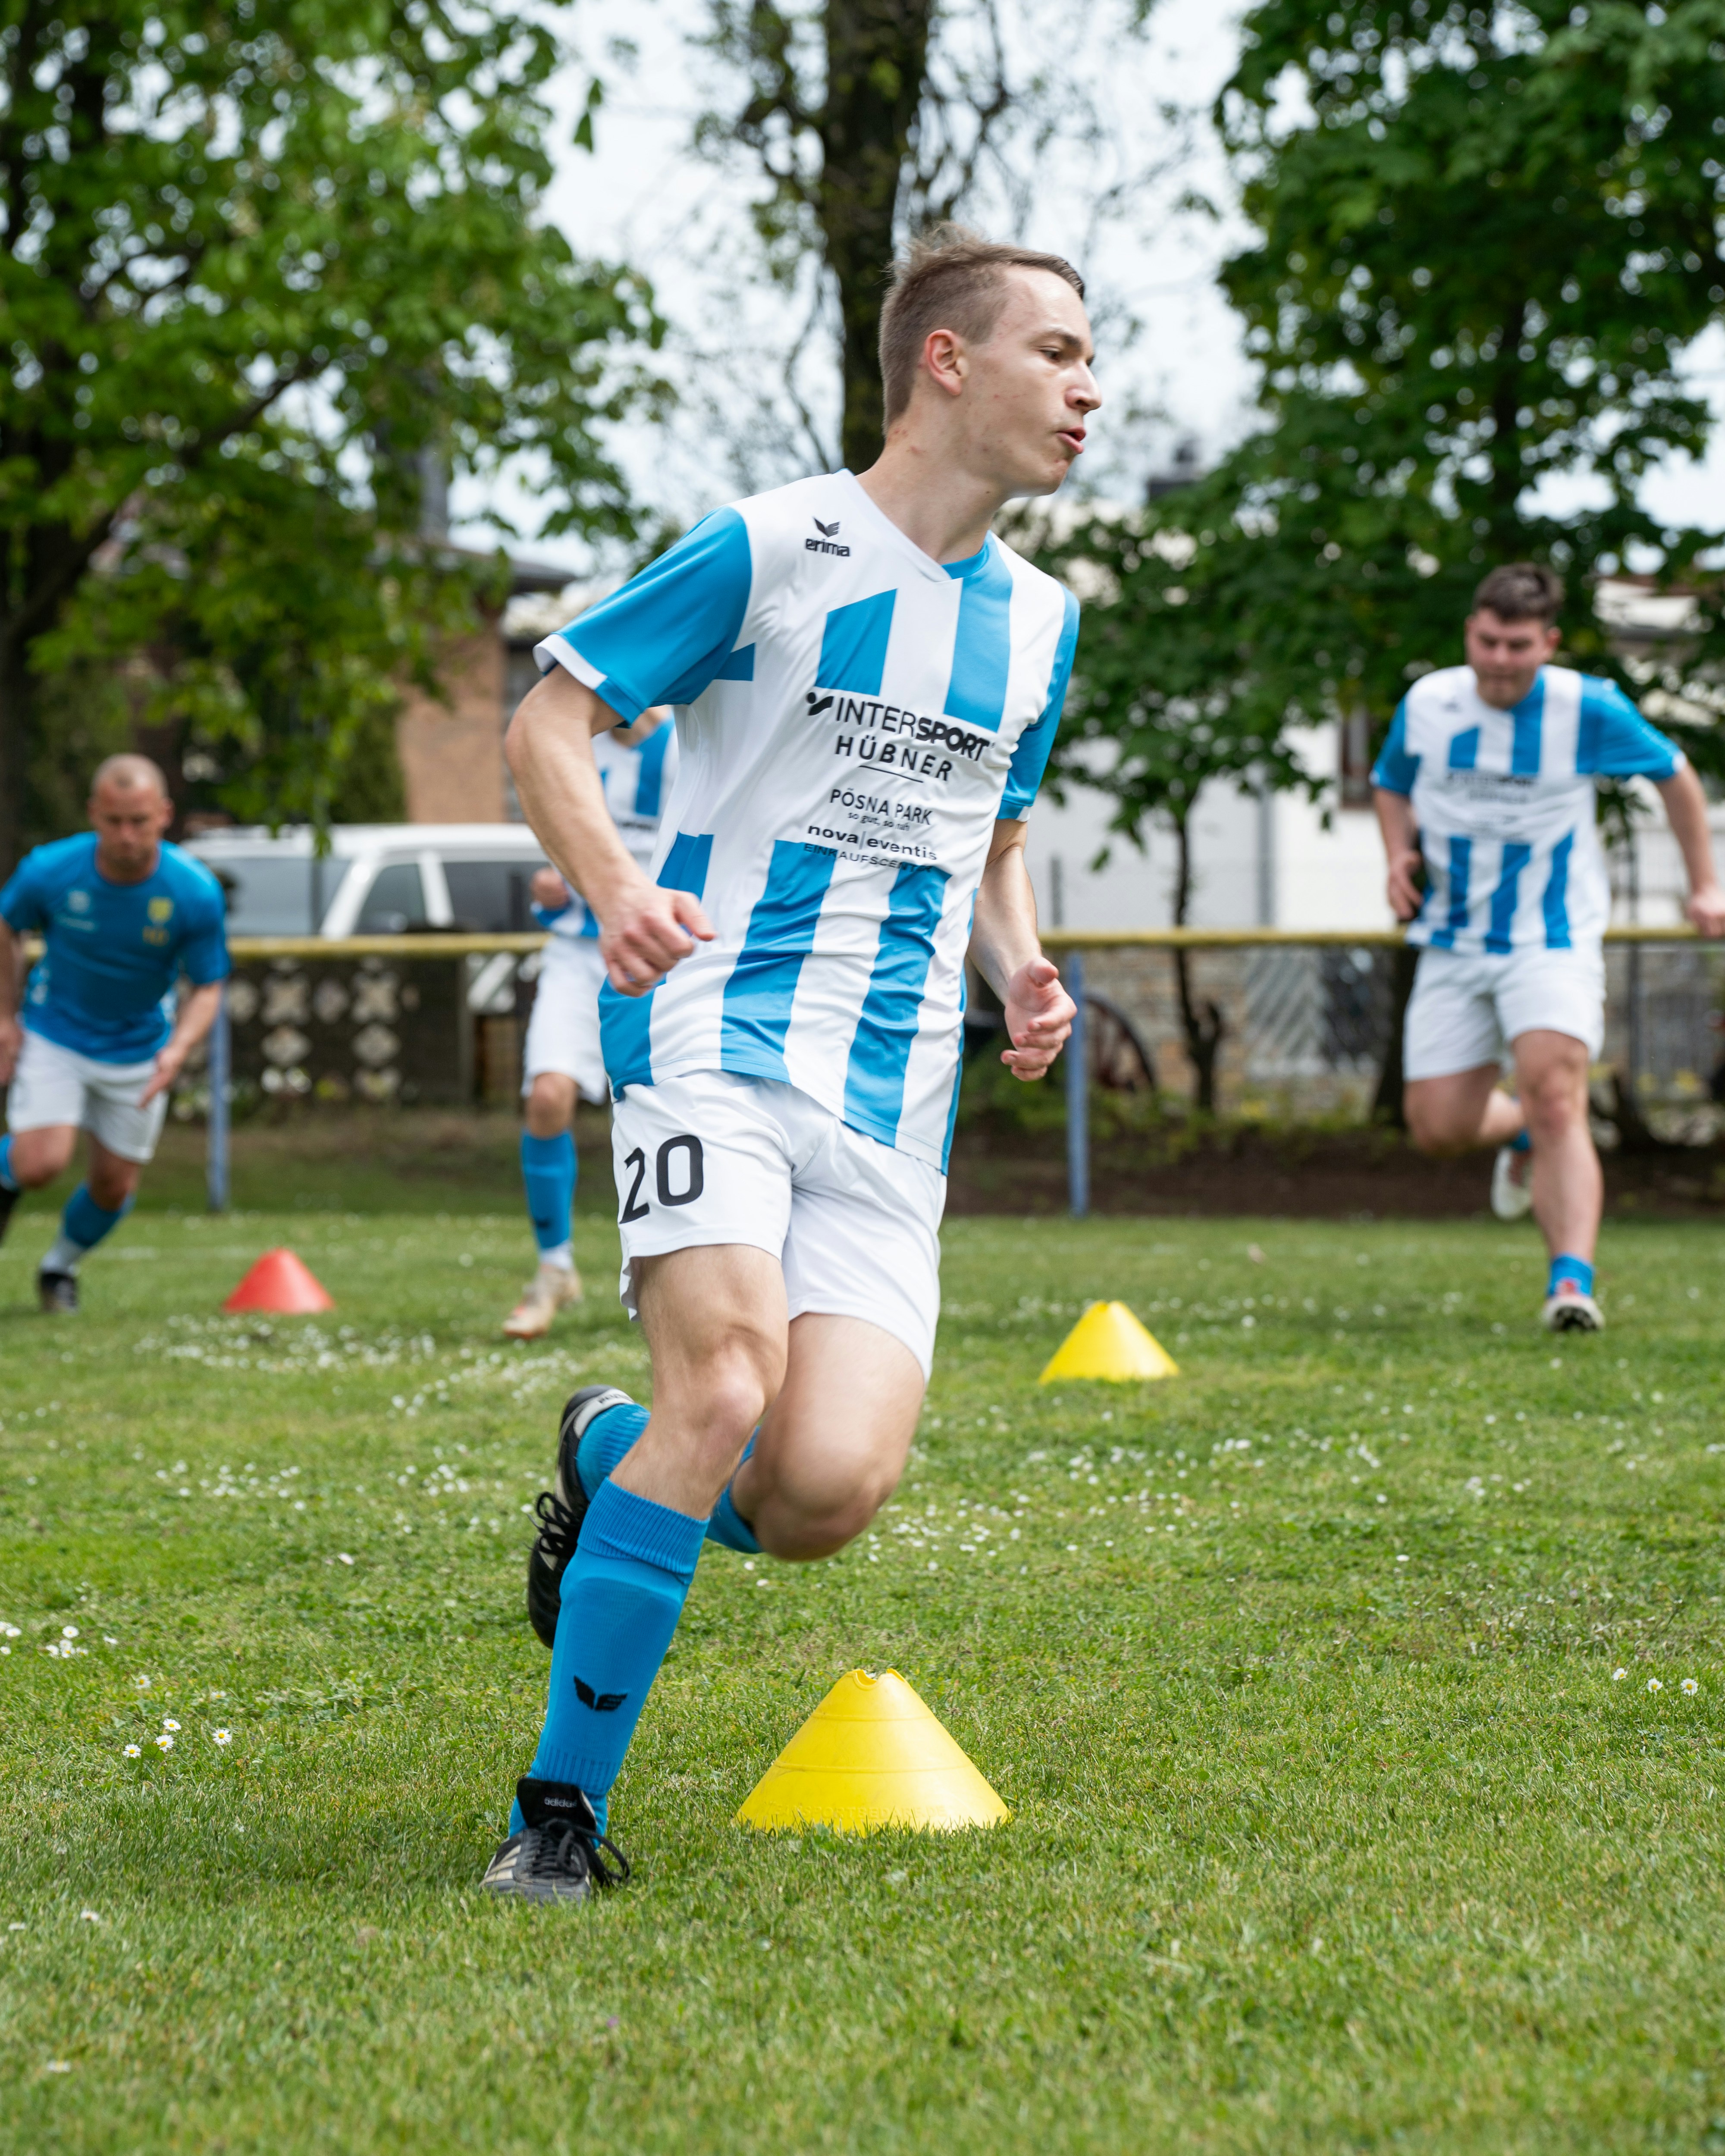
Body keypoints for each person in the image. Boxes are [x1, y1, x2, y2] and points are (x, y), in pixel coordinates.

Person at [480, 226, 1094, 1902]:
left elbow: (995, 835)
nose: (1087, 385)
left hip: (893, 1095)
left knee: (821, 1487)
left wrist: (1022, 967)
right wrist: (615, 890)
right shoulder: (777, 545)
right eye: (1054, 349)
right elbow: (551, 717)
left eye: (1091, 356)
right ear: (945, 365)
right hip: (709, 1026)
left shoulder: (1041, 621)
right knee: (729, 1387)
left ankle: (605, 1455)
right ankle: (556, 1816)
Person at [1372, 562, 1725, 1333]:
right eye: (1488, 641)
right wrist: (1398, 852)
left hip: (1552, 938)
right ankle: (1521, 1131)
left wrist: (1706, 885)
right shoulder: (1429, 702)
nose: (1500, 660)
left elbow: (1676, 775)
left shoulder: (1587, 707)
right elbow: (1390, 782)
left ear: (1549, 644)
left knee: (1558, 1089)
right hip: (1454, 941)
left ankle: (1571, 1285)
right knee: (1438, 1129)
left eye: (1518, 645)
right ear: (1470, 631)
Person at [0, 756, 229, 1312]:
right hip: (56, 1033)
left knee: (113, 1187)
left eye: (140, 821)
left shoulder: (193, 891)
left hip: (139, 1050)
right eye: (114, 821)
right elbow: (8, 926)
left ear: (164, 816)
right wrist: (6, 1017)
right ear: (93, 815)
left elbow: (208, 986)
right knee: (38, 1162)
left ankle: (59, 1270)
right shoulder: (49, 870)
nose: (127, 835)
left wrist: (178, 1050)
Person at [504, 704, 678, 1338]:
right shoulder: (573, 748)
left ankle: (676, 1279)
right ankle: (554, 1270)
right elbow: (558, 857)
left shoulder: (691, 746)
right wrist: (549, 888)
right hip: (580, 955)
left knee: (672, 1114)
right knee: (547, 1098)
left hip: (671, 957)